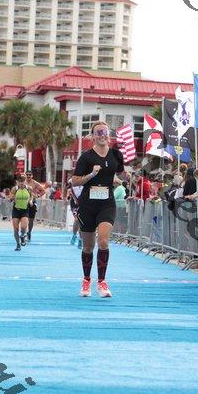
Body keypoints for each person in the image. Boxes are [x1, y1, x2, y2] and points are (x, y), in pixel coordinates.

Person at [71, 121, 129, 298]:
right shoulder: (86, 157)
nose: (102, 135)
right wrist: (91, 174)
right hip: (87, 205)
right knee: (88, 246)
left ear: (109, 135)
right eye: (98, 132)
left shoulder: (116, 154)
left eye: (105, 132)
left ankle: (102, 282)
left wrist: (125, 176)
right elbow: (75, 181)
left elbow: (121, 173)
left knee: (103, 241)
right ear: (93, 137)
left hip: (107, 204)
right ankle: (86, 280)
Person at [10, 176, 33, 251]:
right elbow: (11, 196)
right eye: (20, 182)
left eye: (23, 182)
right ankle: (18, 244)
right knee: (16, 229)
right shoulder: (15, 189)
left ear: (25, 182)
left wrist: (30, 201)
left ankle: (22, 236)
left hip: (25, 210)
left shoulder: (29, 188)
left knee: (23, 227)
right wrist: (12, 198)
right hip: (16, 210)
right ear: (17, 182)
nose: (21, 184)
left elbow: (31, 196)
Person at [25, 171, 45, 241]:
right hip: (24, 203)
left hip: (32, 203)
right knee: (24, 218)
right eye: (27, 175)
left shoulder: (35, 183)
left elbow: (43, 191)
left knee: (31, 220)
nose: (28, 176)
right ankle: (24, 233)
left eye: (30, 175)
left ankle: (29, 232)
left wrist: (38, 196)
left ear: (32, 176)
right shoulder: (23, 183)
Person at [68, 180, 83, 248]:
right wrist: (65, 197)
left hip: (83, 203)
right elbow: (66, 188)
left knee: (81, 221)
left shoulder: (86, 180)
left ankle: (80, 239)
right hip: (75, 203)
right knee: (77, 219)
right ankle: (74, 235)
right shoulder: (72, 181)